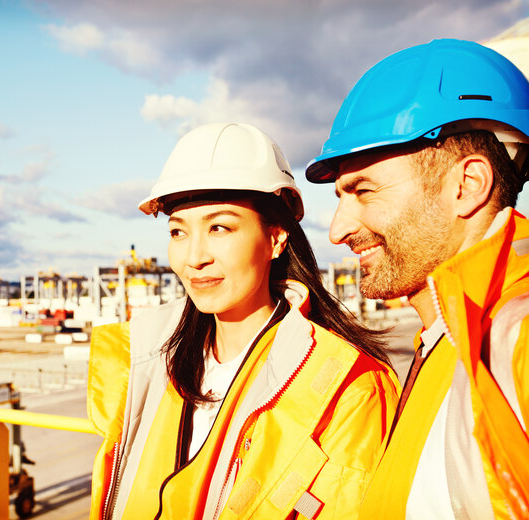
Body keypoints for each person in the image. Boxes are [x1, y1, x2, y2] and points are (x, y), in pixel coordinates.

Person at [88, 122, 399, 519]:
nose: (194, 257)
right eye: (178, 232)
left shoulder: (347, 388)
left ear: (276, 238)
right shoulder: (147, 363)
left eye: (219, 227)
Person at [305, 39, 529, 519]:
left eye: (364, 189)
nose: (338, 229)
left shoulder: (517, 336)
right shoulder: (447, 340)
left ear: (466, 186)